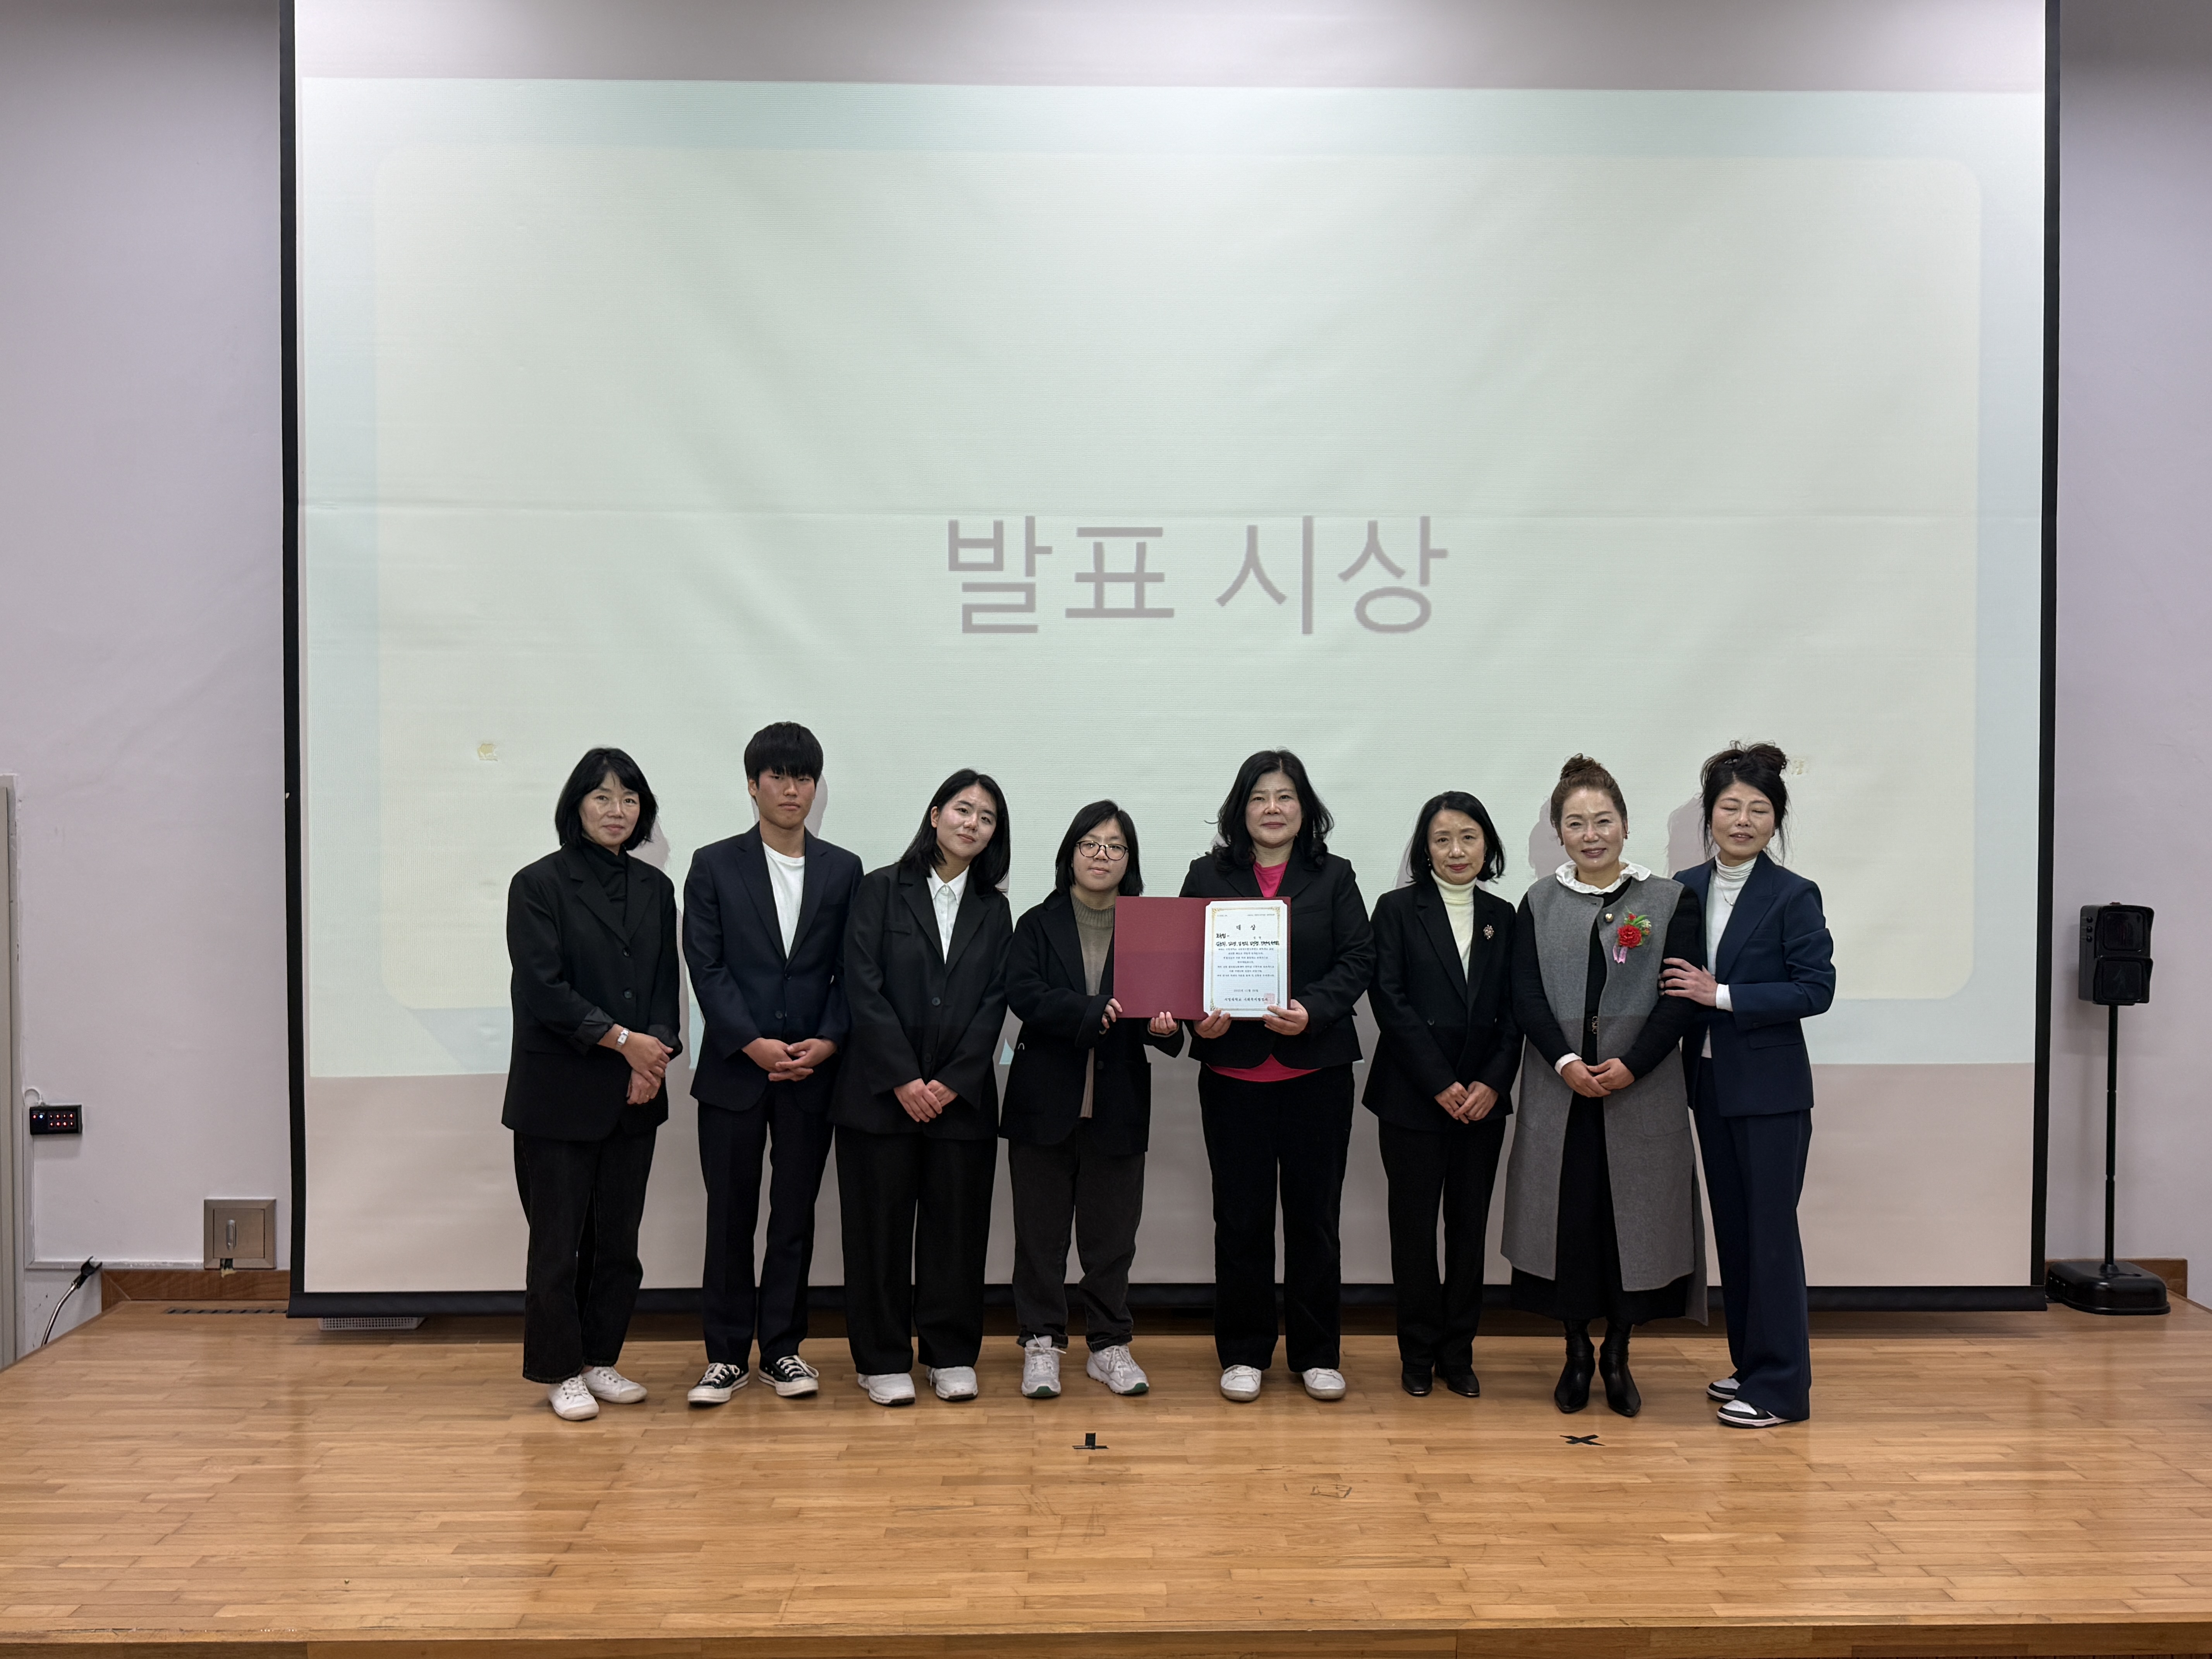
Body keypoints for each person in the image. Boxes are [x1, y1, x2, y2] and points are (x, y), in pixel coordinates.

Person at [1501, 754, 1706, 1419]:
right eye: (1576, 823)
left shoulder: (1669, 901)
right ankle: (1576, 1351)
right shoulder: (1539, 903)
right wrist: (1565, 1061)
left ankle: (1618, 1351)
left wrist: (1633, 1064)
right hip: (1562, 1093)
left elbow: (1681, 997)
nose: (1591, 835)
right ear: (1558, 833)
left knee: (1632, 1230)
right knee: (1569, 1227)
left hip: (1639, 1091)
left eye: (1603, 821)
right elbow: (1526, 996)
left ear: (1625, 824)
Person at [1179, 749, 1376, 1404]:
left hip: (1315, 1072)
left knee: (1315, 1219)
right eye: (1260, 797)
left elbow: (1359, 958)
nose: (1272, 808)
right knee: (1240, 1219)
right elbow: (1184, 963)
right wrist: (1198, 1019)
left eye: (1285, 796)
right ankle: (1243, 1352)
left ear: (1304, 808)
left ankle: (1317, 1353)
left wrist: (1313, 1010)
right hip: (1234, 1074)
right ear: (1241, 809)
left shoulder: (1335, 875)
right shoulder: (1207, 875)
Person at [681, 722, 862, 1407]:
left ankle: (783, 1349)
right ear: (753, 785)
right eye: (778, 777)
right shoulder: (713, 864)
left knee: (794, 1216)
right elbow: (706, 965)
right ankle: (726, 1355)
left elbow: (852, 970)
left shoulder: (844, 869)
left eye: (803, 777)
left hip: (813, 1072)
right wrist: (751, 1042)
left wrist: (831, 1040)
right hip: (735, 1070)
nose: (792, 789)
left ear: (817, 787)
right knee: (729, 1215)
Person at [501, 747, 682, 1422]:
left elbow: (664, 987)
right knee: (557, 1247)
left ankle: (598, 1358)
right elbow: (544, 990)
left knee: (618, 1246)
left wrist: (652, 1059)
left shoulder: (656, 888)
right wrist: (626, 1045)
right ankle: (558, 1369)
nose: (617, 810)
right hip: (559, 1095)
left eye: (630, 799)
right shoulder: (538, 884)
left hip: (636, 1094)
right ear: (576, 805)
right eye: (602, 797)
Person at [1661, 742, 1836, 1429]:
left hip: (1771, 1092)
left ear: (1776, 820)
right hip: (1708, 1084)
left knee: (1770, 1237)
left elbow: (1815, 990)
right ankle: (1752, 1364)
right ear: (1709, 816)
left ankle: (1783, 1390)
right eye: (1730, 807)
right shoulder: (1684, 887)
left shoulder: (1793, 894)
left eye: (1758, 810)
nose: (1743, 821)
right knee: (1734, 1232)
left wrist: (1723, 995)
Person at [831, 770, 1014, 1407]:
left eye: (986, 818)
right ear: (936, 815)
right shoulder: (880, 889)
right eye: (963, 810)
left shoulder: (995, 908)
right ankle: (881, 1357)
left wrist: (952, 1081)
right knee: (877, 1233)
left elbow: (994, 1002)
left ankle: (949, 1352)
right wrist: (905, 1078)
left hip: (960, 1104)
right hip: (879, 1099)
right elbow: (861, 986)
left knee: (955, 1233)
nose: (972, 824)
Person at [1002, 802, 1183, 1401]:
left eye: (1116, 846)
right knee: (1040, 1237)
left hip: (1119, 1102)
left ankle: (1109, 1345)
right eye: (1091, 844)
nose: (1102, 855)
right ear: (1071, 853)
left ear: (1130, 860)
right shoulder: (1036, 922)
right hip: (1042, 1103)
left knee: (1112, 1240)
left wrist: (1164, 1027)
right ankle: (1041, 1342)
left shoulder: (1151, 929)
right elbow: (1024, 993)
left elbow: (1171, 1016)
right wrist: (1088, 1011)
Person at [1364, 791, 1520, 1400]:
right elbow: (1390, 1001)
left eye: (1469, 837)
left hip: (1483, 1102)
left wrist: (1491, 1083)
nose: (1457, 850)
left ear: (1487, 845)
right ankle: (1417, 1351)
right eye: (1442, 839)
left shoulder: (1505, 916)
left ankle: (1459, 1353)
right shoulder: (1397, 909)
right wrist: (1439, 1082)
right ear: (1424, 850)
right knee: (1413, 1230)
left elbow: (1516, 1011)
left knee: (1468, 1230)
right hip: (1412, 1096)